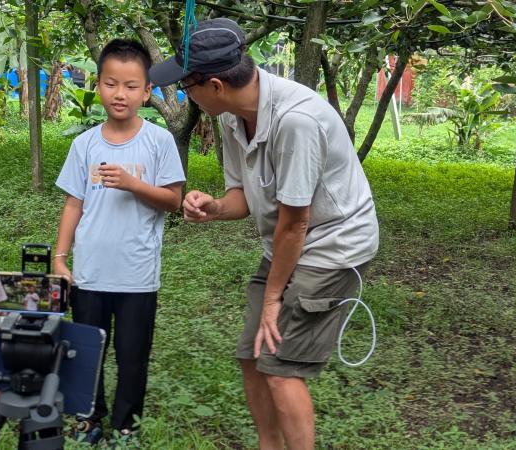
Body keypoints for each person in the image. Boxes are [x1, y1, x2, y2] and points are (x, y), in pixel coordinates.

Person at [150, 18, 380, 450]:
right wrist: (215, 208)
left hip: (332, 245)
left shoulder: (296, 122)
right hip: (288, 244)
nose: (185, 95)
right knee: (252, 357)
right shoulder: (234, 117)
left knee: (279, 365)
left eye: (186, 86)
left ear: (215, 86)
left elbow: (297, 222)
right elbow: (244, 197)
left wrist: (275, 297)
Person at [53, 38, 185, 445]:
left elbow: (174, 201)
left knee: (132, 357)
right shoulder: (85, 144)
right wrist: (61, 256)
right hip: (90, 271)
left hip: (136, 274)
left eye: (131, 86)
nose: (120, 94)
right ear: (98, 86)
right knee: (86, 352)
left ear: (147, 91)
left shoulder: (159, 142)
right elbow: (74, 204)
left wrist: (132, 184)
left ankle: (126, 426)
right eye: (111, 83)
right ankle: (88, 421)